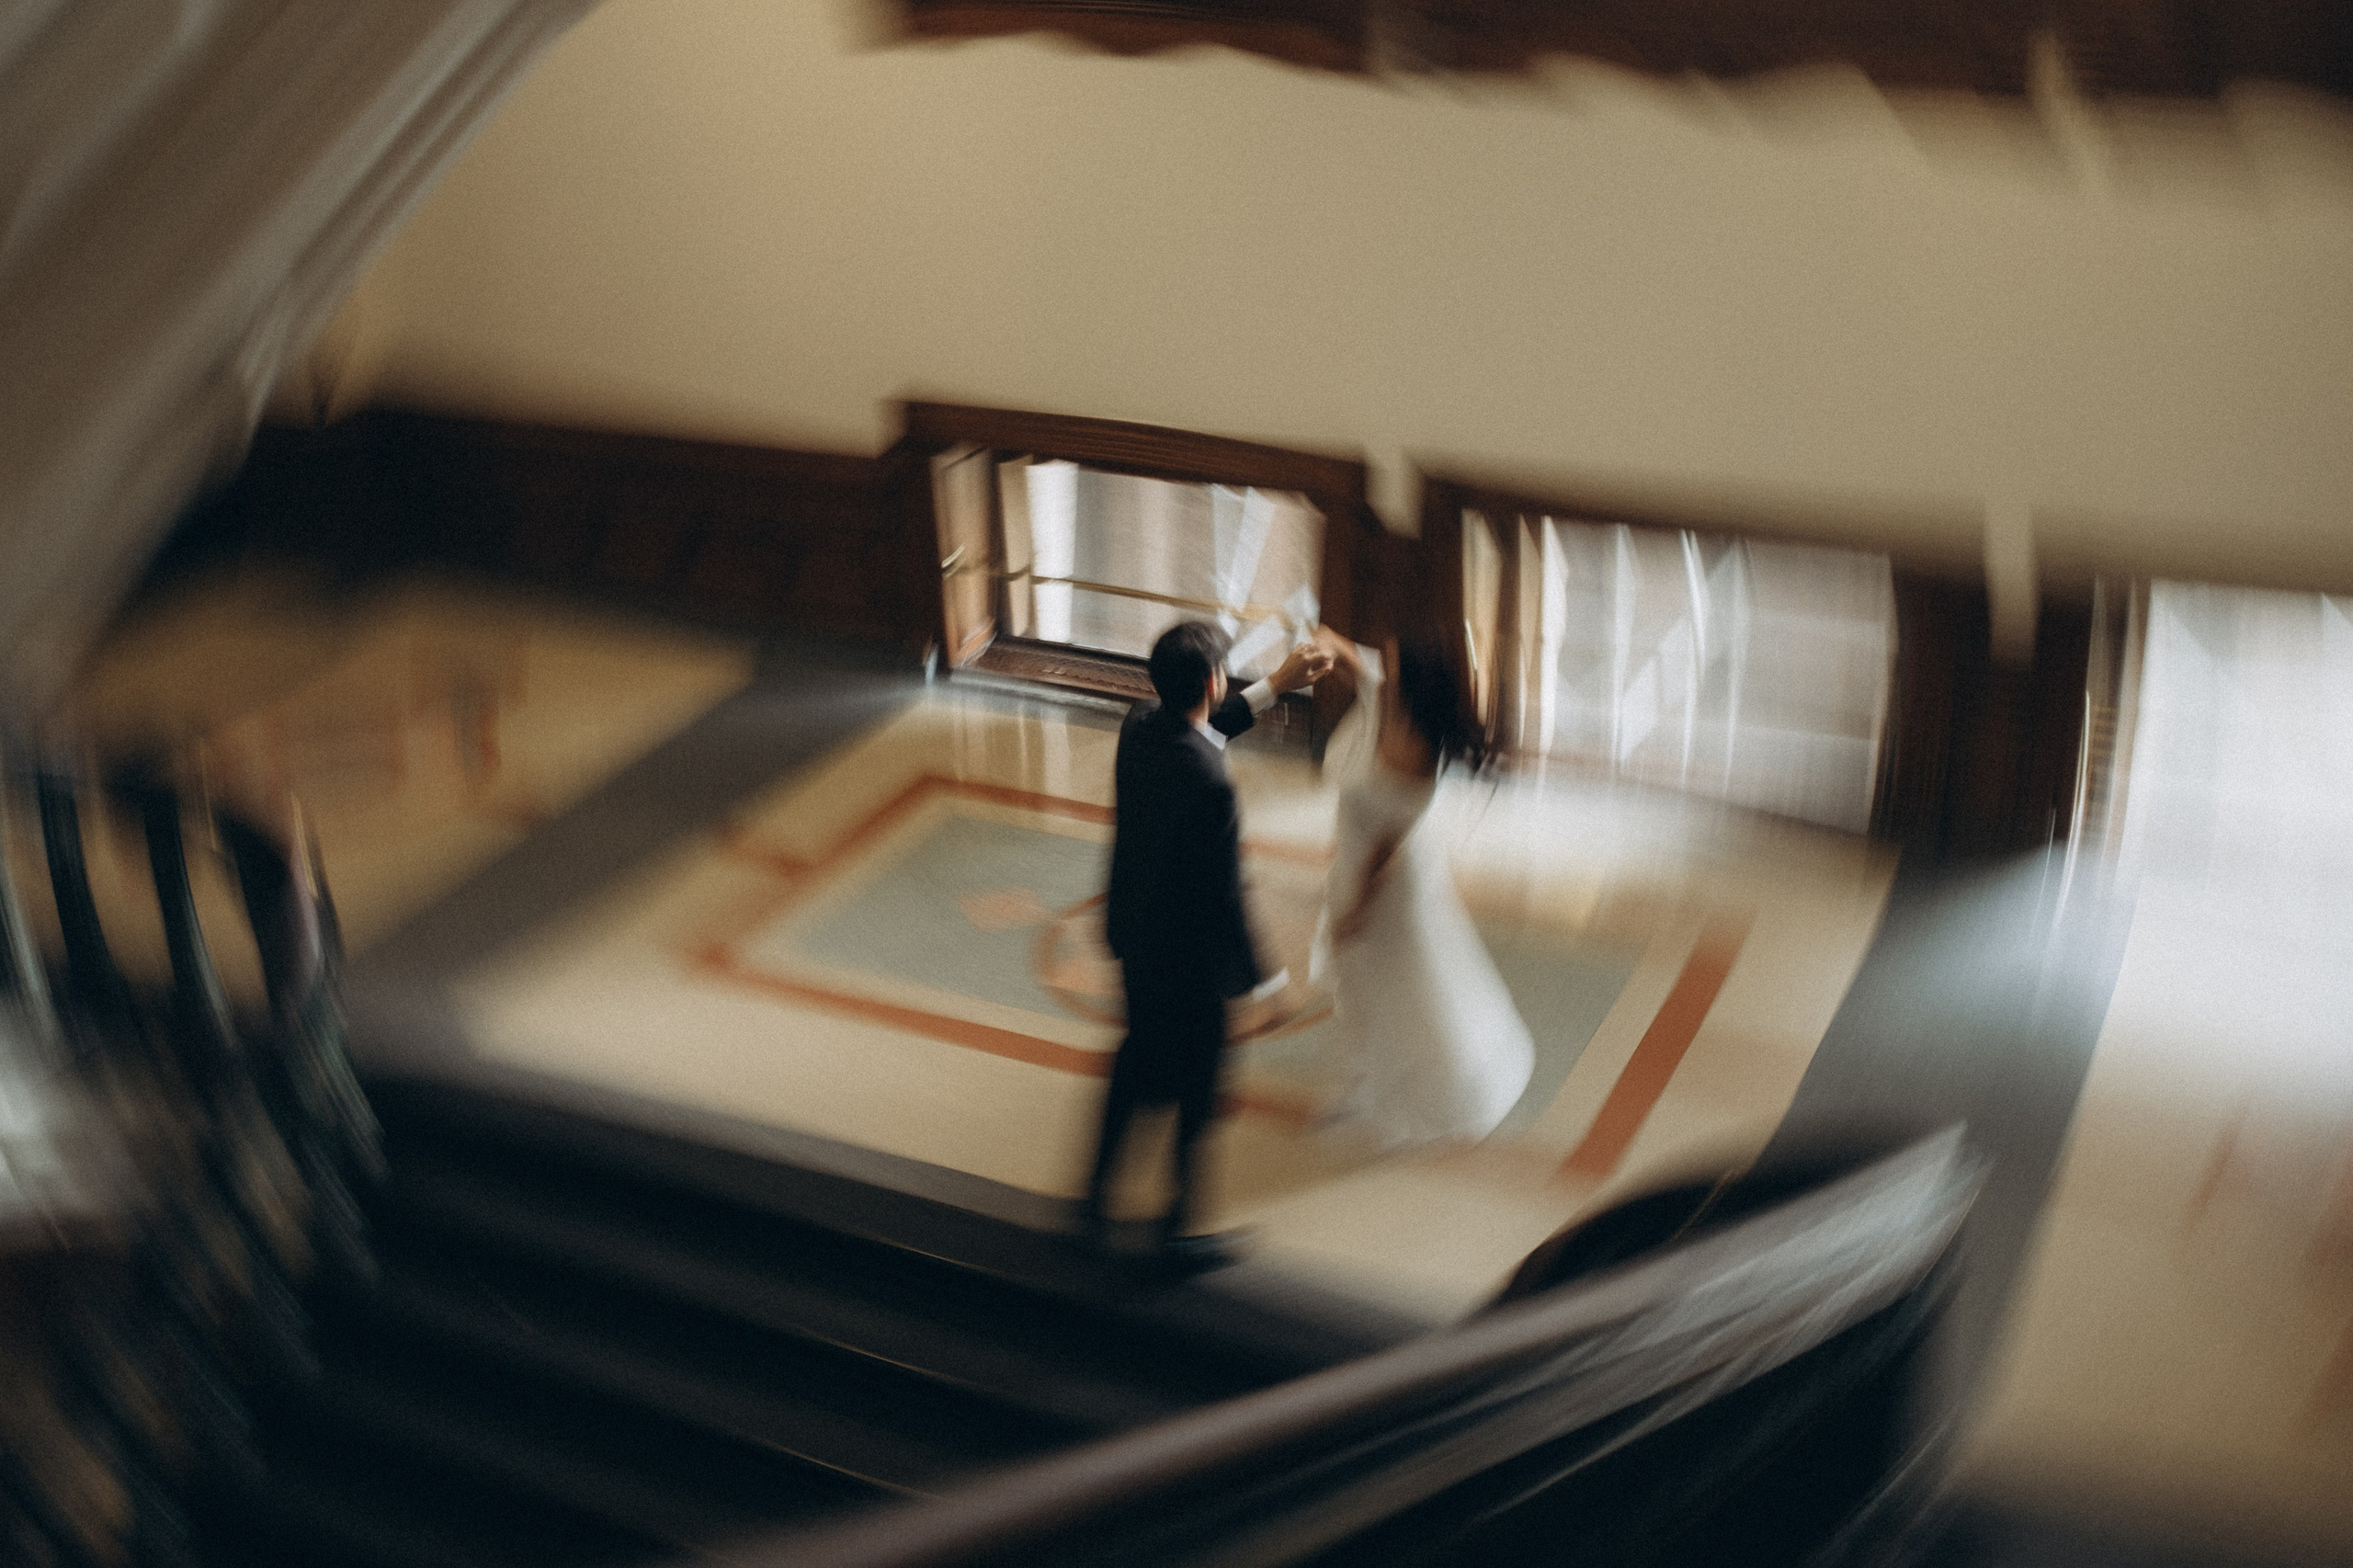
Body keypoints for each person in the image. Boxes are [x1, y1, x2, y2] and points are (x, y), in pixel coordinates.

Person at [1080, 620, 1331, 1267]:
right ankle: (1181, 1231)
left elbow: (1204, 728)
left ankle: (1092, 1203)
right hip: (1188, 965)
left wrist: (1276, 686)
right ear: (1215, 681)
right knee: (1198, 1091)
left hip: (1136, 939)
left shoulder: (1139, 728)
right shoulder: (1210, 785)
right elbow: (1225, 901)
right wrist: (1270, 983)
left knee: (1136, 1064)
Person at [1311, 631, 1534, 1148]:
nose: (1379, 670)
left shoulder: (1417, 751)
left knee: (1400, 983)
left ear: (1410, 689)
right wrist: (1322, 646)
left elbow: (1383, 851)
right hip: (1353, 866)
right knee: (1359, 980)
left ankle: (1400, 1091)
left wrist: (1356, 911)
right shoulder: (1387, 692)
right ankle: (1362, 1081)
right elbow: (1350, 656)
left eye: (1391, 666)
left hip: (1386, 884)